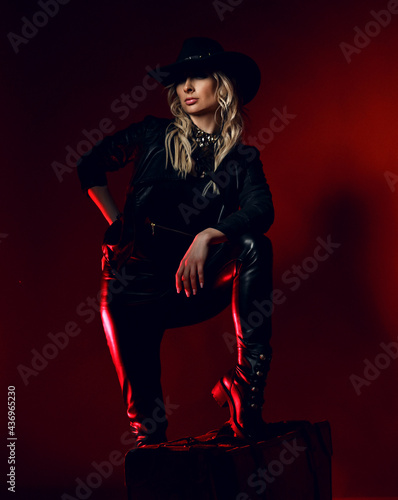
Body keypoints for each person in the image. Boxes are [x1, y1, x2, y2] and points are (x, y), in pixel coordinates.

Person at [77, 37, 275, 448]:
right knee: (149, 434)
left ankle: (245, 384)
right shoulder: (152, 134)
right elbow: (90, 165)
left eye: (198, 76)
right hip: (132, 289)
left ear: (221, 86)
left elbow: (261, 212)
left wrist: (207, 235)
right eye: (181, 79)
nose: (186, 86)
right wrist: (119, 224)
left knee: (255, 244)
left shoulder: (241, 160)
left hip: (190, 287)